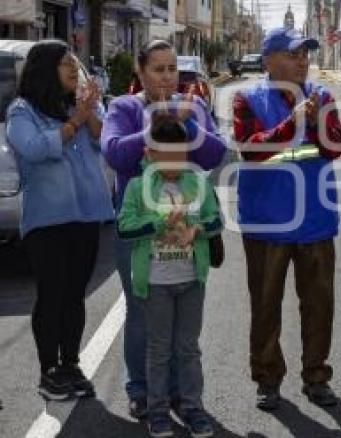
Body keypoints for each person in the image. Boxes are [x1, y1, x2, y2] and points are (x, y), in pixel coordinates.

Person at [102, 39, 226, 419]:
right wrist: (159, 125)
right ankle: (140, 388)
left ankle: (175, 390)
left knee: (182, 318)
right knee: (142, 311)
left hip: (186, 229)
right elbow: (115, 151)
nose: (167, 77)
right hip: (141, 227)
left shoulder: (195, 106)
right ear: (140, 72)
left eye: (173, 69)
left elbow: (213, 155)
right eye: (158, 69)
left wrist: (186, 121)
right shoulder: (125, 107)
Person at [232, 27, 341, 411]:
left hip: (315, 220)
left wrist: (313, 122)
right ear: (269, 60)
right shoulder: (246, 98)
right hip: (267, 223)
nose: (303, 61)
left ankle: (316, 376)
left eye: (306, 54)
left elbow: (335, 147)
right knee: (266, 306)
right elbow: (251, 151)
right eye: (294, 53)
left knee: (319, 305)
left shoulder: (323, 96)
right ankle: (267, 378)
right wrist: (292, 123)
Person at [6, 40, 114, 400]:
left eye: (75, 63)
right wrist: (74, 122)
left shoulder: (81, 104)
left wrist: (90, 110)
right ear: (45, 69)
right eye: (65, 63)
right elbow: (35, 149)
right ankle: (48, 370)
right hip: (47, 221)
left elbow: (105, 140)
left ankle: (70, 363)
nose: (74, 68)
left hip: (86, 215)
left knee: (74, 295)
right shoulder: (23, 111)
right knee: (51, 294)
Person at [118, 115, 221, 438]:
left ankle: (193, 408)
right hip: (156, 283)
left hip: (191, 280)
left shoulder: (198, 183)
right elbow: (124, 227)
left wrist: (197, 230)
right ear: (150, 153)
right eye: (167, 155)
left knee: (188, 348)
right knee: (159, 349)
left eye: (181, 154)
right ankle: (158, 410)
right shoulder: (137, 186)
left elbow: (216, 221)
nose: (175, 162)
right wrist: (159, 224)